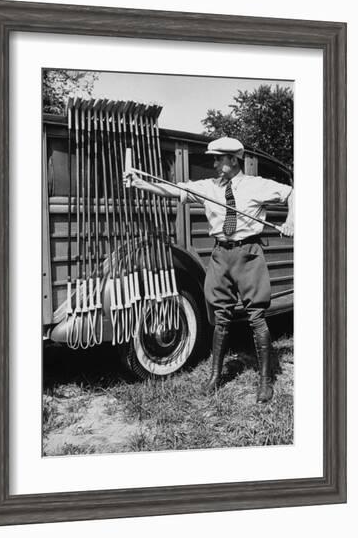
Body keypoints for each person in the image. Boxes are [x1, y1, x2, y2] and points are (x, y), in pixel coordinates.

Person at [123, 137, 294, 403]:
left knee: (256, 316)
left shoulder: (256, 185)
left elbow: (293, 193)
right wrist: (140, 183)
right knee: (221, 316)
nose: (214, 163)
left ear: (233, 160)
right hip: (220, 255)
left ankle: (264, 380)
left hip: (247, 253)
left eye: (218, 159)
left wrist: (291, 219)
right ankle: (215, 377)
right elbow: (171, 189)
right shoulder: (207, 187)